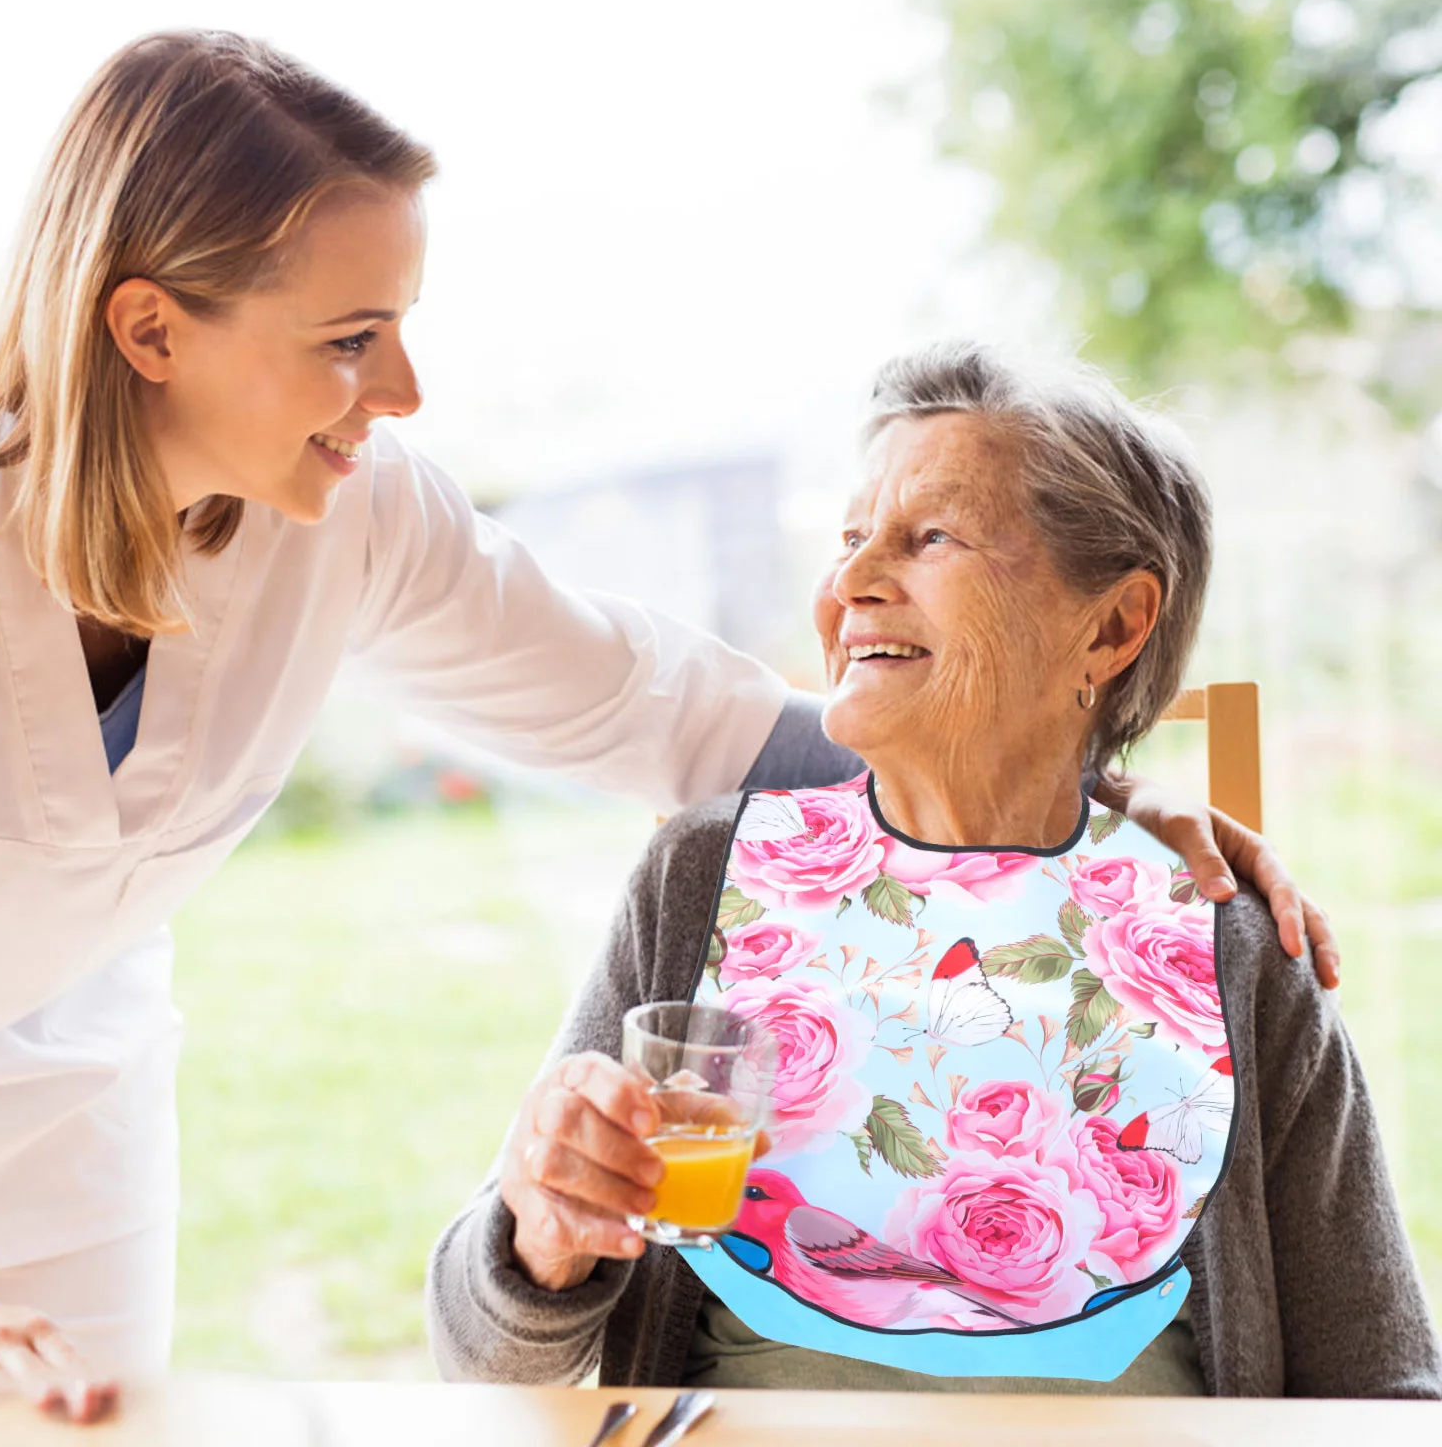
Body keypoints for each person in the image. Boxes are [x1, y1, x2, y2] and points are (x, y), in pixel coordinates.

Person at [0, 33, 1326, 1423]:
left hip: (70, 1112)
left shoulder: (346, 514)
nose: (404, 393)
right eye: (352, 338)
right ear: (151, 329)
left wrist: (1077, 807)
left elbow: (659, 707)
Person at [427, 344, 1441, 1398]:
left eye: (929, 538)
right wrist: (537, 1234)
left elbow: (1384, 1385)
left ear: (1111, 626)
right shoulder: (698, 877)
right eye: (853, 536)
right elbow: (482, 1354)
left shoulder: (1227, 939)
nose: (852, 583)